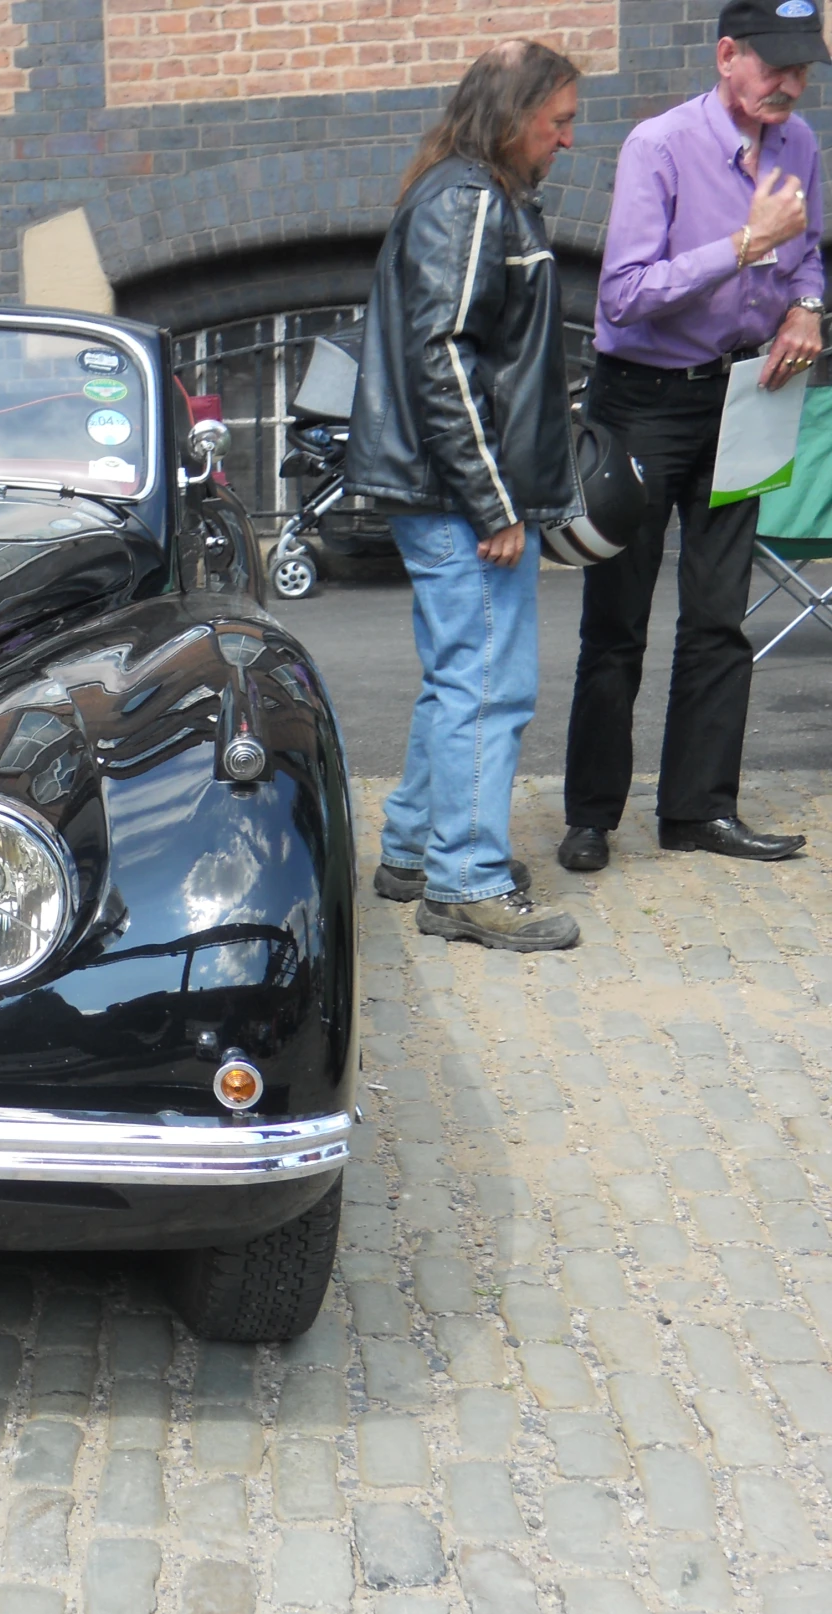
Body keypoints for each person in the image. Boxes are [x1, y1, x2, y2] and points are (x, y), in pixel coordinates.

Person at [559, 0, 821, 872]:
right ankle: (592, 815)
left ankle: (698, 811)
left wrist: (808, 307)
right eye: (776, 65)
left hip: (746, 398)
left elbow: (811, 255)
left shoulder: (802, 145)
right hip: (639, 400)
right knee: (618, 619)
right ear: (725, 57)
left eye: (804, 67)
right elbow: (624, 295)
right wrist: (747, 245)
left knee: (719, 616)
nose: (793, 82)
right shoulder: (658, 147)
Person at [348, 41, 585, 951]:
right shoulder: (470, 201)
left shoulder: (465, 194)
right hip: (460, 498)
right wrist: (494, 503)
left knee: (461, 676)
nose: (566, 140)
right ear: (512, 116)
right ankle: (466, 882)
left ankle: (416, 850)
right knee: (489, 686)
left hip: (447, 490)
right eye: (557, 121)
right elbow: (444, 358)